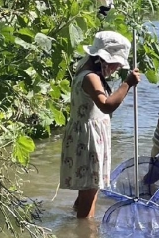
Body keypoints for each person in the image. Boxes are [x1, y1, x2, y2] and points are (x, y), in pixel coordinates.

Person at [60, 31, 141, 218]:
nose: (115, 69)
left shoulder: (87, 70)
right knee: (90, 190)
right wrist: (127, 84)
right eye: (114, 64)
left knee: (88, 188)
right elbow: (106, 105)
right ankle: (86, 228)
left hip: (89, 136)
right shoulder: (90, 77)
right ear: (101, 58)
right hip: (88, 140)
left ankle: (76, 221)